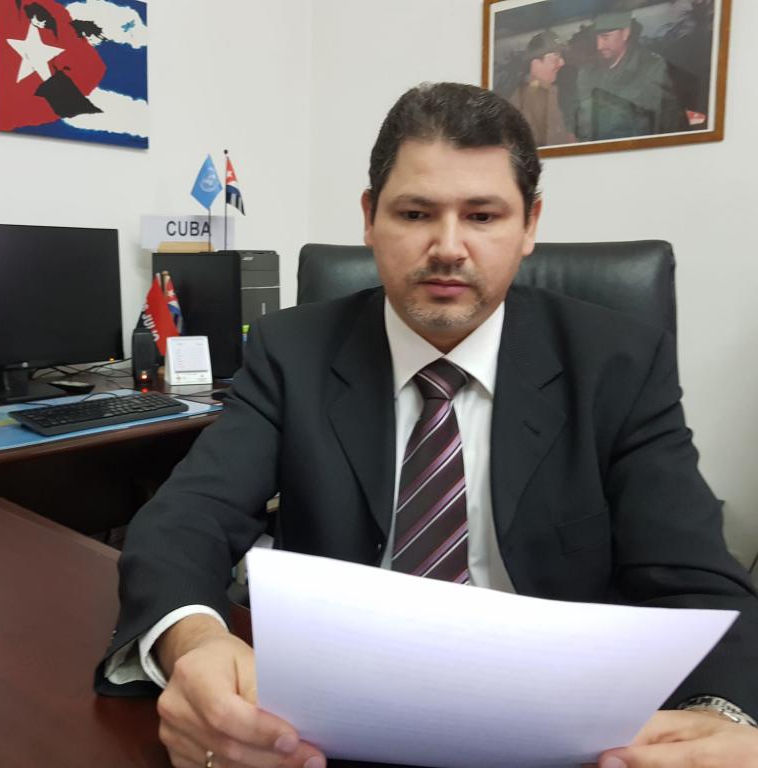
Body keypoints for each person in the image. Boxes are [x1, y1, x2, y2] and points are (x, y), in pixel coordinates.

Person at [96, 82, 758, 768]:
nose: (448, 247)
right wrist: (196, 643)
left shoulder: (618, 362)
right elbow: (187, 518)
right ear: (369, 218)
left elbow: (699, 584)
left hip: (558, 732)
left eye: (482, 215)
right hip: (326, 728)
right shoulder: (292, 351)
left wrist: (720, 719)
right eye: (415, 213)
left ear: (529, 225)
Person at [572, 11, 687, 141]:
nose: (599, 46)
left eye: (605, 37)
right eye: (597, 38)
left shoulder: (652, 68)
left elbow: (671, 121)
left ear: (625, 33)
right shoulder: (587, 74)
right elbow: (585, 124)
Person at [507, 31, 575, 147]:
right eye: (556, 57)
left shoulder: (545, 92)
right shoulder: (528, 98)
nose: (562, 62)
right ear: (536, 63)